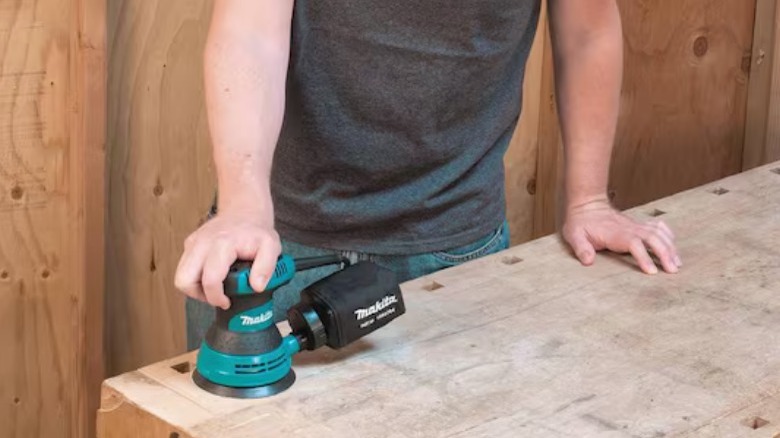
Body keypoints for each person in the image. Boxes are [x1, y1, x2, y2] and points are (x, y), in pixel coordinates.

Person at [175, 0, 682, 349]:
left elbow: (588, 29)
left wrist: (588, 200)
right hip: (271, 256)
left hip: (453, 254)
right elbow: (249, 31)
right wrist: (244, 208)